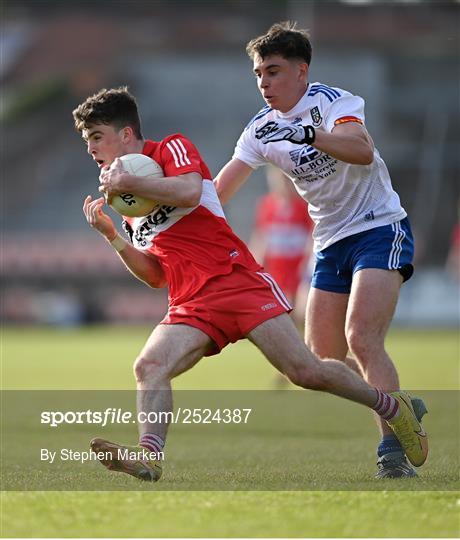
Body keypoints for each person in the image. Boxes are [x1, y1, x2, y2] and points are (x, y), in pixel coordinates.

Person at [73, 86, 427, 483]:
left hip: (236, 281)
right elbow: (156, 275)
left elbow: (190, 192)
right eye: (87, 142)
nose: (91, 149)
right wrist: (113, 236)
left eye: (96, 137)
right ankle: (150, 456)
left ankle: (395, 409)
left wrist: (133, 184)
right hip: (190, 301)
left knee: (305, 371)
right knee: (149, 365)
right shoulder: (124, 202)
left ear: (125, 135)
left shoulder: (170, 149)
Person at [214, 22, 427, 478]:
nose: (264, 83)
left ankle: (392, 452)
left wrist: (308, 135)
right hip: (329, 242)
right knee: (317, 361)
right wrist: (169, 214)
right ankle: (399, 405)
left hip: (378, 227)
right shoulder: (259, 129)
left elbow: (361, 150)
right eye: (258, 74)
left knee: (362, 338)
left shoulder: (335, 103)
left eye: (273, 71)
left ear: (301, 71)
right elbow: (220, 190)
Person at [249, 164, 313, 327]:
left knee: (301, 311)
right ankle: (295, 348)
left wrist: (307, 265)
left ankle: (306, 347)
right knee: (282, 312)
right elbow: (261, 237)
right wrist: (255, 266)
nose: (282, 184)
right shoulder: (267, 205)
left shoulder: (304, 206)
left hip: (298, 268)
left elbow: (312, 237)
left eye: (286, 179)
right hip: (277, 269)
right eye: (277, 179)